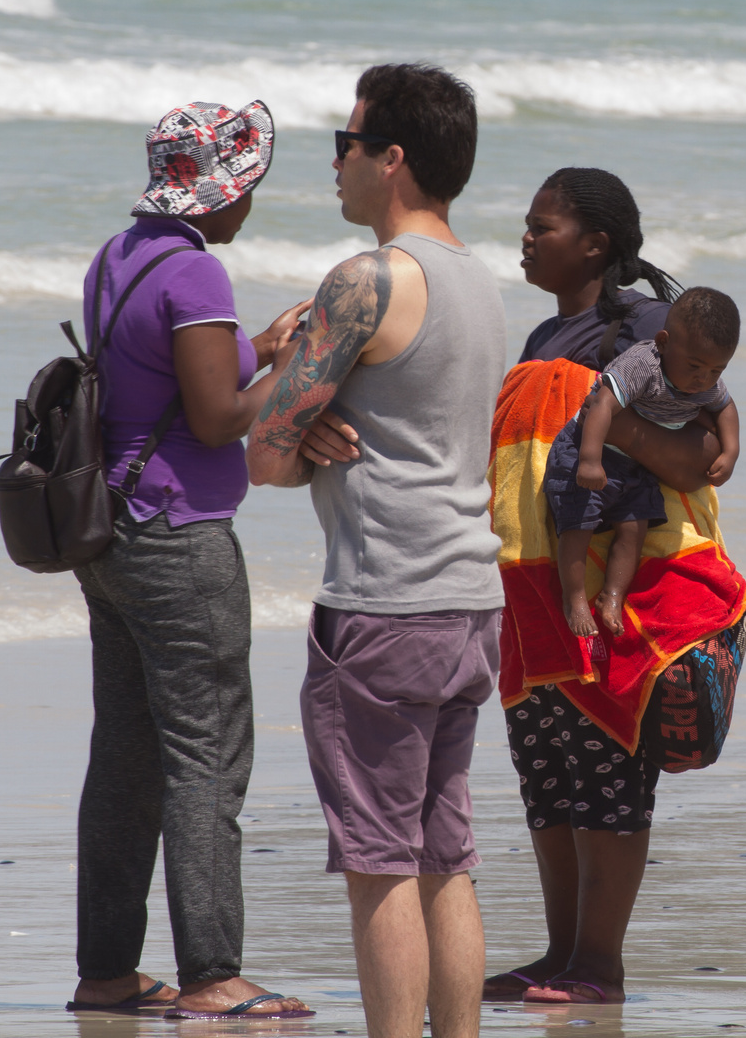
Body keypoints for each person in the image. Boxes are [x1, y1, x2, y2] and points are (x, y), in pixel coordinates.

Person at [246, 63, 505, 1038]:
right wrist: (317, 430)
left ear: (392, 158)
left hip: (385, 604)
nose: (335, 163)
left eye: (346, 145)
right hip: (468, 601)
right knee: (446, 857)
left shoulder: (367, 282)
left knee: (381, 861)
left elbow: (263, 459)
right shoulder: (480, 284)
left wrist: (290, 413)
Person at [64, 99, 313, 1021]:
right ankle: (214, 973)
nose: (248, 206)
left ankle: (107, 973)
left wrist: (257, 349)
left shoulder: (118, 257)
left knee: (124, 755)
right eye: (246, 188)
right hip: (181, 536)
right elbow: (216, 417)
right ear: (218, 192)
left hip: (110, 533)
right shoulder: (198, 274)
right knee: (207, 753)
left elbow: (149, 377)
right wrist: (295, 367)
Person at [483, 167, 738, 1006]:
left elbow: (701, 461)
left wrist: (604, 419)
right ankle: (561, 956)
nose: (526, 238)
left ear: (595, 242)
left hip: (620, 597)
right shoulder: (539, 341)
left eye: (541, 226)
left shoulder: (652, 330)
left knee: (606, 774)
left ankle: (599, 964)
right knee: (550, 777)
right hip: (537, 596)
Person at [545, 288, 741, 637]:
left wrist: (731, 451)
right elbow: (602, 405)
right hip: (589, 447)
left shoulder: (704, 382)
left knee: (634, 528)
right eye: (695, 367)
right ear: (664, 342)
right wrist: (589, 461)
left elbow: (725, 406)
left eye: (716, 370)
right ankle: (574, 599)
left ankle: (612, 596)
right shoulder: (642, 365)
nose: (703, 379)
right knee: (579, 525)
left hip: (635, 464)